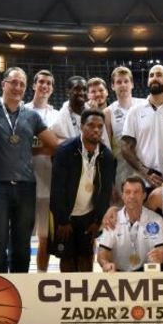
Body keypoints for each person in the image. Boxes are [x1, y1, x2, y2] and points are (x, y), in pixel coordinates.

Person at [0, 67, 59, 273]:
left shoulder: (32, 116)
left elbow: (54, 144)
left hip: (26, 187)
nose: (17, 87)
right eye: (13, 82)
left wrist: (85, 143)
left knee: (22, 245)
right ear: (3, 84)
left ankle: (20, 293)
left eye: (21, 84)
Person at [50, 109, 115, 272]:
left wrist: (97, 220)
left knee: (86, 257)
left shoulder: (107, 156)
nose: (96, 130)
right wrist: (63, 220)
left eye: (100, 126)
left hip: (89, 215)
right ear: (81, 126)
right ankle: (67, 296)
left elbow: (106, 191)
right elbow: (57, 189)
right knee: (67, 258)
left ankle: (85, 296)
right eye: (91, 125)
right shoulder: (65, 151)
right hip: (67, 215)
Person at [121, 65, 163, 190]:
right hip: (143, 182)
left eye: (159, 75)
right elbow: (125, 148)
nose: (154, 78)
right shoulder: (134, 111)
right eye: (151, 76)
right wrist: (145, 172)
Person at [24, 70, 60, 273]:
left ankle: (41, 278)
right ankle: (20, 278)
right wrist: (48, 146)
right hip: (25, 184)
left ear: (52, 88)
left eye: (49, 83)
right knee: (22, 237)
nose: (45, 86)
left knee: (44, 238)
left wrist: (36, 147)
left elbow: (61, 146)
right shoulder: (21, 110)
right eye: (41, 82)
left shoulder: (56, 115)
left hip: (48, 184)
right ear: (34, 85)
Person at [97, 176, 163, 272]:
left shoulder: (156, 219)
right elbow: (102, 253)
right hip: (118, 273)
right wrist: (106, 264)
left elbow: (162, 249)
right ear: (122, 196)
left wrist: (161, 256)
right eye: (127, 192)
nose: (132, 196)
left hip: (146, 272)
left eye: (136, 192)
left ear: (144, 195)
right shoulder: (112, 219)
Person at [104, 66, 146, 200]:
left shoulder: (145, 105)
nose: (123, 85)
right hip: (122, 168)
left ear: (132, 84)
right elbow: (106, 151)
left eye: (126, 81)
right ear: (112, 86)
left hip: (145, 165)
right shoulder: (108, 112)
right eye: (119, 82)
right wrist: (109, 183)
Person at [51, 76, 110, 146]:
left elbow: (104, 142)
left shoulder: (94, 113)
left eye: (84, 89)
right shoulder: (59, 120)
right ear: (68, 92)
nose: (81, 92)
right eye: (77, 89)